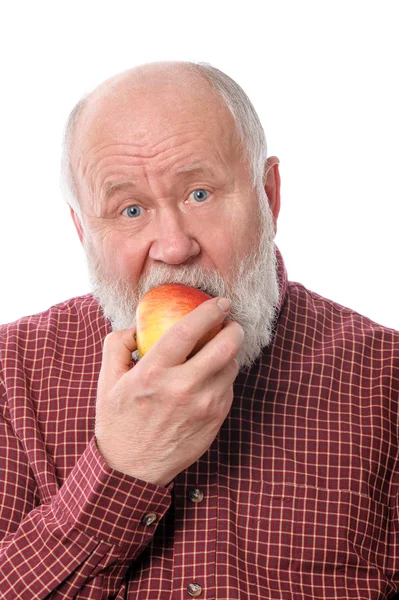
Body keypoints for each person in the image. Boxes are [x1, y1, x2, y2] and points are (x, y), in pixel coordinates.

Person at [0, 61, 398, 600]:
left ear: (269, 194)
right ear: (82, 231)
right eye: (130, 209)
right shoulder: (12, 372)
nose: (173, 246)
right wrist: (123, 469)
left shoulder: (386, 381)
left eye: (200, 194)